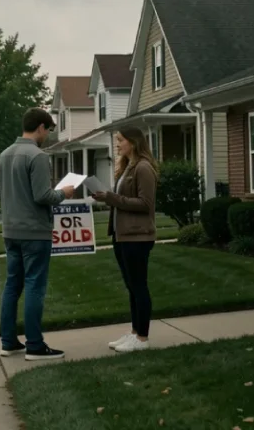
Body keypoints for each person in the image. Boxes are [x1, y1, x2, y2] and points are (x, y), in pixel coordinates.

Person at [0, 107, 73, 361]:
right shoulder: (37, 156)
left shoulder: (4, 155)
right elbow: (43, 196)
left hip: (10, 230)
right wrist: (64, 193)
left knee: (12, 286)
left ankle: (8, 342)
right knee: (34, 287)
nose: (48, 135)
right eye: (48, 129)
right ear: (40, 127)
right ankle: (35, 346)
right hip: (34, 232)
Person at [92, 126, 159, 353]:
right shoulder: (127, 167)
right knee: (131, 287)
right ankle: (134, 333)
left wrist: (112, 198)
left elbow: (146, 204)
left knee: (139, 287)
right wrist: (107, 198)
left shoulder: (143, 168)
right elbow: (122, 201)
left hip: (137, 237)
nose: (117, 144)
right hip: (123, 236)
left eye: (120, 140)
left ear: (133, 141)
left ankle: (142, 338)